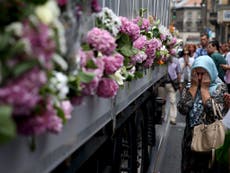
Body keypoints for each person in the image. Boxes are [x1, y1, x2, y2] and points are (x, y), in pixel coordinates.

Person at [177, 55, 227, 173]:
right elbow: (183, 109)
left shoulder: (220, 88)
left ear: (211, 72)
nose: (199, 78)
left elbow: (215, 115)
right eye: (196, 73)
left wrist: (204, 90)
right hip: (191, 138)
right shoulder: (190, 87)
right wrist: (194, 88)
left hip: (211, 137)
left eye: (203, 74)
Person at [165, 56, 181, 125]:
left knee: (173, 101)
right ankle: (164, 116)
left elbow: (178, 72)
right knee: (163, 101)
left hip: (171, 83)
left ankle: (172, 118)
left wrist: (179, 83)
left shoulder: (176, 60)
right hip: (162, 83)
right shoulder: (162, 58)